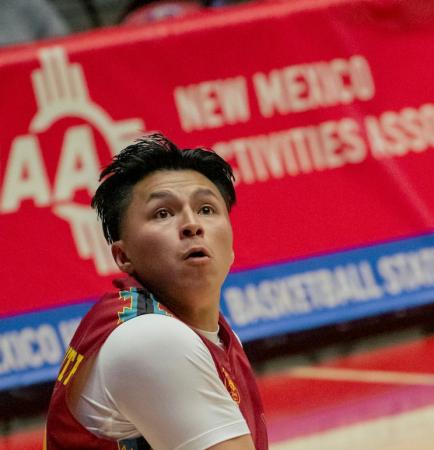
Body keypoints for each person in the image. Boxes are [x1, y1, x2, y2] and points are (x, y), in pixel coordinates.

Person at [45, 134, 268, 450]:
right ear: (123, 256)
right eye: (163, 213)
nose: (192, 225)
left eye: (206, 209)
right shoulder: (152, 337)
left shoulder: (208, 333)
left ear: (231, 247)